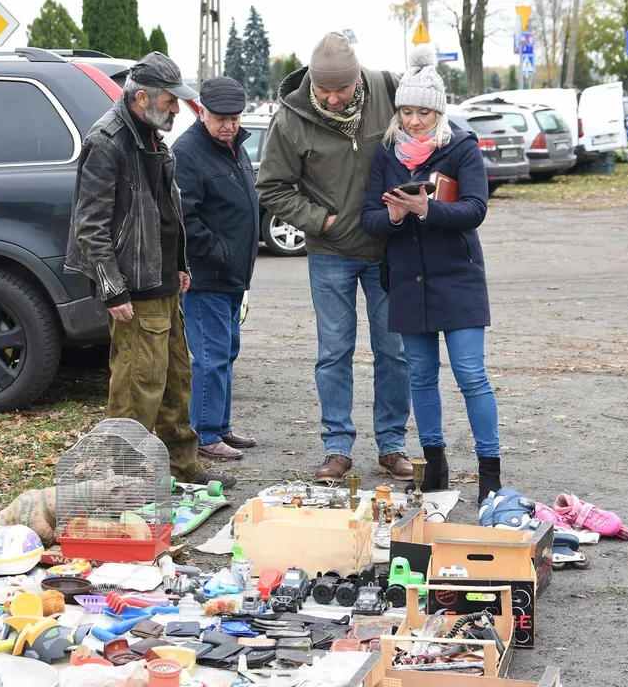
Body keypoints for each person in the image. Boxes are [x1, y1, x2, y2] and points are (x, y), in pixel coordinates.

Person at [65, 52, 235, 489]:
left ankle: (182, 468)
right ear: (142, 98)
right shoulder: (107, 140)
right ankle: (122, 482)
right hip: (133, 289)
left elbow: (164, 210)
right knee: (137, 390)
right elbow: (91, 224)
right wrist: (112, 289)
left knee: (177, 381)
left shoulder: (152, 136)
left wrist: (179, 266)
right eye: (170, 100)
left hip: (162, 283)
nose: (178, 109)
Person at [256, 32, 412, 483]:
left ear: (357, 79)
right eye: (323, 89)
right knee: (334, 352)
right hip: (330, 253)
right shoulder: (291, 119)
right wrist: (321, 221)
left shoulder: (388, 90)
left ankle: (392, 445)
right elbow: (271, 188)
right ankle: (337, 447)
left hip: (387, 248)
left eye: (341, 89)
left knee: (394, 351)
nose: (331, 97)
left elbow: (425, 135)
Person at [359, 45, 503, 503]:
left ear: (438, 112)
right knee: (420, 376)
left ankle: (490, 471)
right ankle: (434, 464)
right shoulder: (387, 154)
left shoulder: (460, 146)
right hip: (406, 280)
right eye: (407, 111)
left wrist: (429, 208)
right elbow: (369, 218)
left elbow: (476, 209)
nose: (414, 120)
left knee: (471, 375)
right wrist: (397, 217)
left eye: (423, 112)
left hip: (457, 279)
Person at [172, 76, 260, 462]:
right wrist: (220, 252)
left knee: (228, 351)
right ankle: (205, 434)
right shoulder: (188, 152)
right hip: (207, 275)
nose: (230, 125)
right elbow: (183, 217)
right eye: (222, 117)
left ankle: (220, 426)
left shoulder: (233, 147)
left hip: (233, 275)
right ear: (202, 111)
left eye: (236, 117)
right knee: (210, 355)